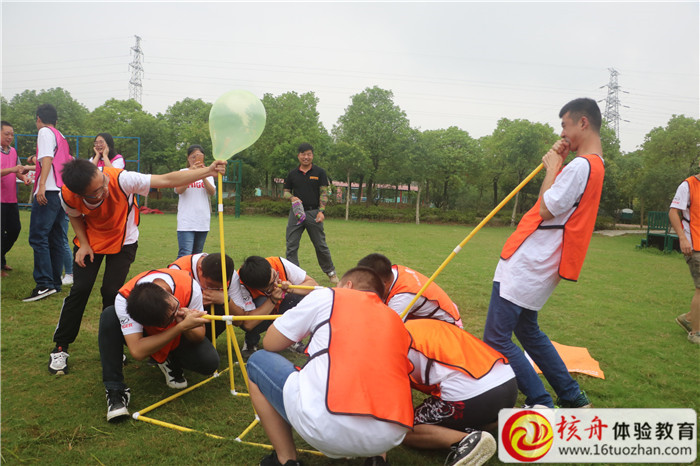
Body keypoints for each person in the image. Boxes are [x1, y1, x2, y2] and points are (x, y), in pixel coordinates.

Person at [47, 156, 226, 376]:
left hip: (124, 241)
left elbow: (166, 180)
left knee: (112, 292)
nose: (105, 188)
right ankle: (61, 347)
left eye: (103, 181)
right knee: (80, 290)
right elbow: (74, 216)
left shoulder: (122, 180)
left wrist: (208, 171)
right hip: (91, 241)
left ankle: (114, 345)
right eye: (98, 190)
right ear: (81, 194)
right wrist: (83, 244)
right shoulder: (67, 195)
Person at [483, 97, 605, 409]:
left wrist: (553, 168)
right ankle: (572, 396)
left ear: (583, 123)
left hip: (531, 261)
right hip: (544, 260)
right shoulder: (594, 166)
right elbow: (552, 204)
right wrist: (557, 166)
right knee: (528, 330)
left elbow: (546, 208)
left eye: (565, 125)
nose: (562, 133)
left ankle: (540, 402)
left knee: (496, 338)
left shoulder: (581, 166)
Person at [246, 267, 415, 465]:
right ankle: (377, 458)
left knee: (258, 361)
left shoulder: (328, 296)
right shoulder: (395, 319)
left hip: (325, 425)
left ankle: (286, 460)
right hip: (392, 433)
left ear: (348, 285)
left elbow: (271, 343)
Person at [99, 267, 219, 421]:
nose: (177, 313)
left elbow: (199, 335)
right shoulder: (124, 299)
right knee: (109, 315)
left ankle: (169, 359)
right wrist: (180, 327)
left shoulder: (189, 286)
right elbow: (137, 351)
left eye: (174, 307)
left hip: (176, 338)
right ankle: (115, 390)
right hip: (152, 336)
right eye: (169, 319)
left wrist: (185, 325)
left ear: (168, 293)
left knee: (209, 362)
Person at [402, 319, 516, 466]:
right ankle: (511, 415)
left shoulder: (393, 340)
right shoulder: (422, 324)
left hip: (471, 395)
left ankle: (466, 441)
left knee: (402, 429)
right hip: (507, 381)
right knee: (466, 415)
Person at [24, 104, 73, 302]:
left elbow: (47, 159)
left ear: (38, 118)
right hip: (61, 192)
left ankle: (44, 284)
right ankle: (54, 282)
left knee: (38, 237)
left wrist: (42, 185)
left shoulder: (44, 132)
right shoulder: (61, 136)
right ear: (56, 121)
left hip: (49, 192)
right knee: (55, 238)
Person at [283, 143, 339, 284]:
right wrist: (292, 197)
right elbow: (285, 192)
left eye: (309, 154)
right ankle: (294, 275)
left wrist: (321, 211)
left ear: (312, 156)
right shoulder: (292, 174)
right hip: (296, 213)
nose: (306, 157)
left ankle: (331, 272)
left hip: (314, 213)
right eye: (303, 154)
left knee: (320, 245)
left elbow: (324, 193)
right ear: (298, 156)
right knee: (291, 245)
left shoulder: (320, 172)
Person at [238, 255, 318, 354]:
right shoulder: (241, 284)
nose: (276, 283)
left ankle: (292, 339)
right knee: (261, 301)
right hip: (261, 313)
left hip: (282, 308)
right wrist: (273, 299)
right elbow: (247, 324)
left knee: (297, 296)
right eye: (271, 285)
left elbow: (313, 285)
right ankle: (251, 342)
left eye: (275, 275)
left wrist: (292, 288)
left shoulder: (279, 263)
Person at [357, 253, 463, 327]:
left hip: (447, 326)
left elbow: (388, 329)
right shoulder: (392, 272)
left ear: (382, 283)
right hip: (428, 316)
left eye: (368, 286)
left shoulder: (402, 298)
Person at [168, 252, 246, 342]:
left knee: (222, 307)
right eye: (210, 284)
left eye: (219, 287)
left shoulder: (231, 276)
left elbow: (238, 321)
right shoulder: (179, 270)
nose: (213, 289)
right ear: (200, 269)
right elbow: (168, 311)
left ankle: (206, 341)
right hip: (180, 324)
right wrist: (195, 301)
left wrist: (226, 300)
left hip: (205, 323)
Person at [668, 171, 700, 345]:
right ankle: (695, 333)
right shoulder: (688, 185)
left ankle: (688, 319)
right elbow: (673, 212)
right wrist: (682, 238)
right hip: (694, 245)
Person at [1, 121, 31, 276]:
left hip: (11, 199)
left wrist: (24, 177)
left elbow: (18, 170)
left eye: (12, 134)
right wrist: (12, 169)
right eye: (6, 134)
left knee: (14, 230)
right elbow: (11, 169)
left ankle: (1, 257)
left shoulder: (13, 151)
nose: (10, 137)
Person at [175, 145, 215, 258]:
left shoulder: (208, 172)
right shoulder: (182, 172)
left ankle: (191, 272)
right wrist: (191, 174)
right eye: (193, 157)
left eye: (199, 156)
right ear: (188, 158)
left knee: (197, 256)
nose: (195, 160)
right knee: (185, 254)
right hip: (186, 221)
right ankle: (178, 271)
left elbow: (212, 192)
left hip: (202, 220)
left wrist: (202, 175)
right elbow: (179, 190)